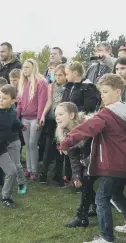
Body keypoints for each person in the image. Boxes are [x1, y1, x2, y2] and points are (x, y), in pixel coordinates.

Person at [59, 74, 126, 243]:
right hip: (122, 165)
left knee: (101, 199)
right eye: (100, 92)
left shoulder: (106, 114)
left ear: (118, 92)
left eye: (105, 91)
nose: (102, 95)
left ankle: (106, 238)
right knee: (116, 195)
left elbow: (86, 128)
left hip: (112, 164)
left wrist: (66, 141)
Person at [54, 102, 97, 228]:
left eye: (61, 114)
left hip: (100, 159)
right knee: (84, 183)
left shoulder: (88, 127)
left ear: (72, 115)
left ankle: (81, 217)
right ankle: (94, 208)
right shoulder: (65, 134)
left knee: (89, 183)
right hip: (88, 161)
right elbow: (73, 157)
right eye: (56, 114)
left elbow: (94, 151)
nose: (57, 117)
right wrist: (76, 176)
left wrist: (83, 173)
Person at [17, 59, 48, 180]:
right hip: (24, 117)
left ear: (33, 68)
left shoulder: (41, 82)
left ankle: (34, 170)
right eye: (23, 67)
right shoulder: (23, 83)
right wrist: (17, 117)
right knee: (27, 145)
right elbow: (19, 102)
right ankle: (28, 169)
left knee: (32, 143)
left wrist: (40, 118)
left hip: (35, 117)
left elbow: (42, 102)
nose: (24, 69)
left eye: (27, 67)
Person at [39, 64, 69, 186]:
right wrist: (43, 115)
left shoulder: (68, 88)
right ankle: (43, 174)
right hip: (51, 120)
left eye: (60, 75)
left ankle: (57, 174)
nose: (58, 77)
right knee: (48, 148)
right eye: (56, 75)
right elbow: (49, 102)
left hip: (62, 121)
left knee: (60, 148)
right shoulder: (51, 86)